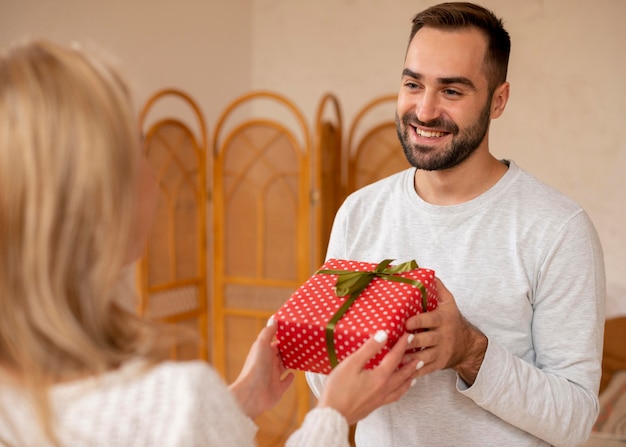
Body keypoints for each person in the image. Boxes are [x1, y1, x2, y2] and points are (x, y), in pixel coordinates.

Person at [0, 39, 423, 446]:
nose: (155, 175)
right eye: (140, 149)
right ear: (103, 195)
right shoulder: (174, 407)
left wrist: (238, 401)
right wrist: (334, 414)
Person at [306, 2, 606, 446]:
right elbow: (323, 384)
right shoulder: (359, 212)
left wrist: (470, 351)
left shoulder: (558, 229)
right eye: (413, 84)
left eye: (452, 91)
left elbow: (575, 419)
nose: (424, 111)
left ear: (498, 100)